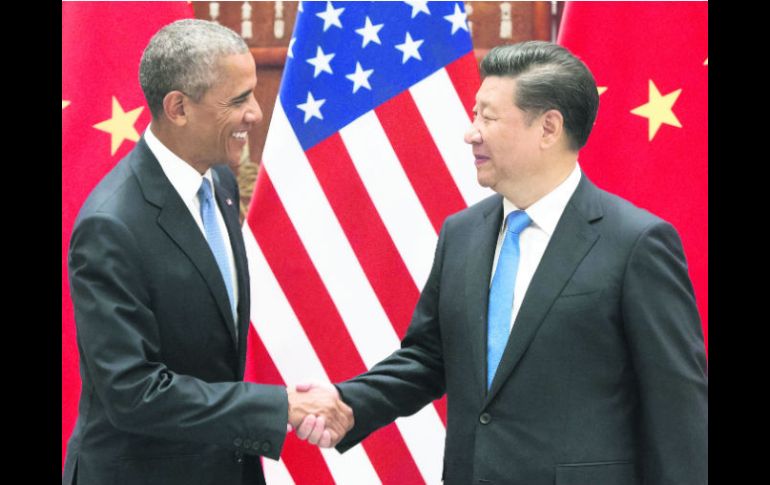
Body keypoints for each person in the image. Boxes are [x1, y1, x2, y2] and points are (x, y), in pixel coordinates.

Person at [295, 41, 708, 484]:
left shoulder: (635, 243)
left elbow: (678, 408)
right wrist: (348, 403)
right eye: (474, 114)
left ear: (549, 128)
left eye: (488, 118)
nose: (471, 133)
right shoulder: (462, 233)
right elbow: (429, 357)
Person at [62, 19, 350, 485]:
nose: (255, 113)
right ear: (178, 108)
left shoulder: (219, 183)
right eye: (238, 100)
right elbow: (132, 392)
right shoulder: (111, 225)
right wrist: (281, 407)